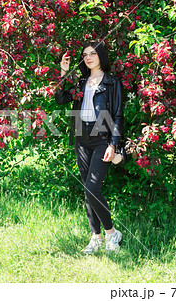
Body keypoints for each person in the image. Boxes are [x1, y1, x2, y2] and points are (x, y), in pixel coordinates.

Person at [55, 40, 124, 254]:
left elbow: (118, 115)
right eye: (85, 54)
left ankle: (112, 234)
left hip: (101, 136)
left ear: (101, 56)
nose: (88, 57)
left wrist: (114, 144)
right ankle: (95, 237)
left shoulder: (112, 82)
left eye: (93, 53)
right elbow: (59, 99)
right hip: (81, 136)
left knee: (92, 188)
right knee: (87, 189)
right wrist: (63, 73)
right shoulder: (81, 82)